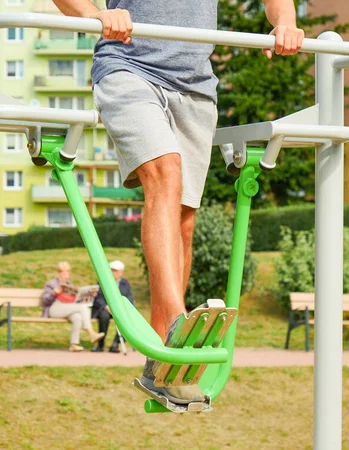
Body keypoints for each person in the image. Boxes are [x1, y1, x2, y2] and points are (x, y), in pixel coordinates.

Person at [52, 0, 303, 403]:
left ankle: (161, 363)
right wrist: (91, 15)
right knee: (165, 174)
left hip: (196, 86)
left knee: (184, 217)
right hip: (128, 66)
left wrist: (285, 22)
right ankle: (175, 320)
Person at [41, 261, 105, 352]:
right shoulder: (51, 284)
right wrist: (53, 293)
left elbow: (75, 300)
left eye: (68, 273)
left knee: (77, 317)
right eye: (64, 273)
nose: (66, 276)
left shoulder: (69, 284)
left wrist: (89, 295)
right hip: (54, 308)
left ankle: (74, 344)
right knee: (83, 307)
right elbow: (44, 301)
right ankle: (91, 333)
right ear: (58, 273)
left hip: (67, 308)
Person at [91, 260, 134, 353]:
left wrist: (121, 307)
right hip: (105, 309)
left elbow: (129, 297)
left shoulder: (125, 283)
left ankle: (115, 344)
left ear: (121, 272)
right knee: (103, 316)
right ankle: (100, 344)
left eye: (115, 271)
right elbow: (98, 298)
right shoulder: (102, 281)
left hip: (119, 310)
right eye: (111, 270)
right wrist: (106, 306)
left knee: (126, 318)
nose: (112, 273)